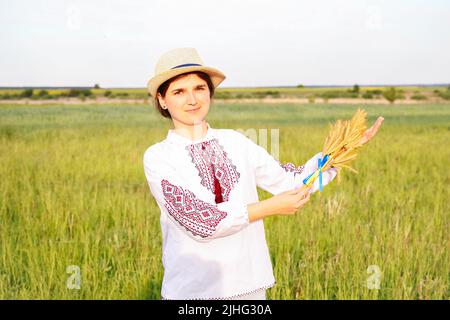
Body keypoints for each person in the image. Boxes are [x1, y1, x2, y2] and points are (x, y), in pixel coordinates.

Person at [143, 48, 384, 300]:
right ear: (162, 99)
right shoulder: (158, 157)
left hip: (250, 287)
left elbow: (290, 182)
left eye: (199, 88)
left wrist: (343, 148)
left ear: (210, 93)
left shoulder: (236, 141)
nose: (192, 99)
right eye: (179, 91)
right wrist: (270, 207)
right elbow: (201, 222)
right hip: (192, 293)